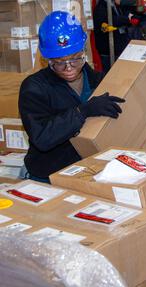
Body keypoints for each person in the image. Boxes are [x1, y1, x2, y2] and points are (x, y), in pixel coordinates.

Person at [19, 12, 124, 183]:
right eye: (59, 62)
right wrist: (82, 112)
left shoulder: (99, 81)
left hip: (91, 171)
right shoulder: (34, 88)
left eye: (75, 59)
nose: (68, 68)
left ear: (84, 51)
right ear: (48, 60)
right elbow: (42, 138)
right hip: (49, 176)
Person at [94, 0, 135, 72]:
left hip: (118, 47)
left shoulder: (114, 4)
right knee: (110, 73)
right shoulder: (101, 6)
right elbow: (109, 20)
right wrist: (126, 19)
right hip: (108, 50)